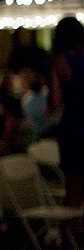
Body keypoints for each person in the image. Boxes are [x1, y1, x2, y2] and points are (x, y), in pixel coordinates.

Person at [48, 16, 84, 208]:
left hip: (72, 130)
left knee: (73, 191)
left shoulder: (61, 62)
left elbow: (54, 104)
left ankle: (69, 235)